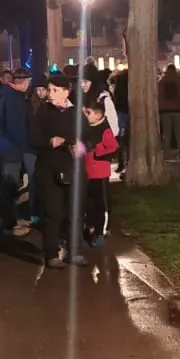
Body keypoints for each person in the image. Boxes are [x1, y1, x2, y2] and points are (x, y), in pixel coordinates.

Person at [31, 74, 86, 268]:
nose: (50, 94)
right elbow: (33, 138)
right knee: (53, 212)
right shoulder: (42, 112)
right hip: (49, 168)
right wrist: (49, 141)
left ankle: (75, 251)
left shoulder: (76, 113)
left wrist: (81, 146)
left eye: (55, 90)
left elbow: (86, 135)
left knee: (74, 211)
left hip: (73, 167)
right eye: (49, 89)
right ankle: (51, 253)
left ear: (66, 92)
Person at [0, 69, 36, 237]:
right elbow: (15, 126)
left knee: (10, 185)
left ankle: (11, 220)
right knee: (9, 186)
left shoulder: (5, 95)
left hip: (7, 147)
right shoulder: (12, 98)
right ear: (25, 81)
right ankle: (9, 224)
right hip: (12, 149)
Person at [80, 99, 119, 248]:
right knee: (88, 202)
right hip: (87, 172)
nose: (85, 115)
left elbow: (113, 148)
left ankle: (100, 231)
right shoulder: (86, 128)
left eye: (87, 113)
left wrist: (97, 152)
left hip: (100, 174)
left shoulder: (105, 130)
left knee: (100, 204)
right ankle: (90, 225)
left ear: (98, 115)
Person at [157, 65, 180, 159]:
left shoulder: (161, 82)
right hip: (178, 110)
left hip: (165, 110)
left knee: (166, 133)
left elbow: (158, 95)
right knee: (179, 132)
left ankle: (166, 153)